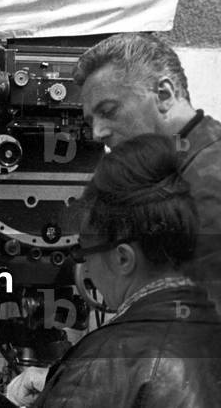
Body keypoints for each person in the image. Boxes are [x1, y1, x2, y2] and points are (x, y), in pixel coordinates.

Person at [8, 133, 221, 407]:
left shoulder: (105, 359)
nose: (85, 269)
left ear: (123, 258)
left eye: (83, 252)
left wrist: (77, 383)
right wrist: (59, 380)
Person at [75, 32, 221, 303]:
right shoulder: (173, 167)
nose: (97, 133)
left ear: (164, 95)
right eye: (90, 121)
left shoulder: (207, 184)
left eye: (108, 111)